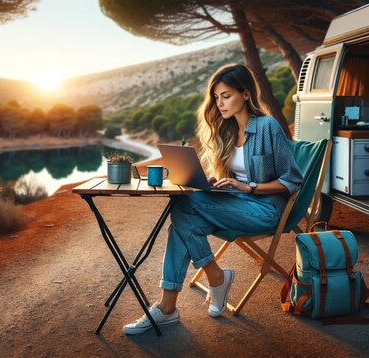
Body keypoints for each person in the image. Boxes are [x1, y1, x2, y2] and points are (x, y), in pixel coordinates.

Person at [123, 64, 303, 335]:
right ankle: (174, 303)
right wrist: (214, 183)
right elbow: (230, 179)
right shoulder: (227, 130)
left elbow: (292, 181)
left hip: (267, 210)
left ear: (245, 94)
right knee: (185, 217)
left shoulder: (268, 127)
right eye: (216, 97)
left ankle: (203, 286)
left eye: (226, 96)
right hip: (237, 205)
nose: (219, 103)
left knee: (184, 207)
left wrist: (247, 186)